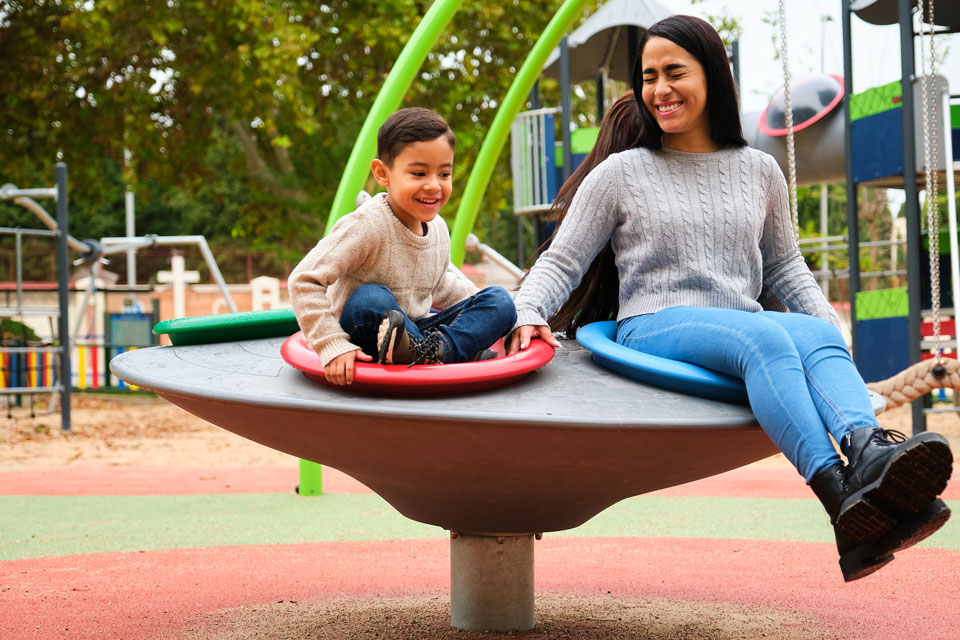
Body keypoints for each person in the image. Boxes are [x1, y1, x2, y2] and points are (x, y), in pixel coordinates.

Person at [508, 15, 952, 582]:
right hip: (654, 323)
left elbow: (786, 267)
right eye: (648, 77)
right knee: (765, 333)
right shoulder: (622, 173)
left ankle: (867, 457)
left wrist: (843, 363)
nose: (659, 89)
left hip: (736, 324)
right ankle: (839, 498)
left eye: (674, 72)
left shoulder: (760, 170)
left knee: (816, 332)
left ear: (713, 77)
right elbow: (562, 260)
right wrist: (527, 311)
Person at [289, 107, 516, 385]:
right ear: (383, 174)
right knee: (371, 298)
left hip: (414, 336)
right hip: (364, 333)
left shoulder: (439, 229)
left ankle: (437, 352)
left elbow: (439, 285)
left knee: (500, 301)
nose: (434, 185)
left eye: (444, 174)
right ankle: (453, 354)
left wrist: (486, 308)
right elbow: (303, 281)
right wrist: (331, 343)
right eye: (419, 173)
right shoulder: (367, 225)